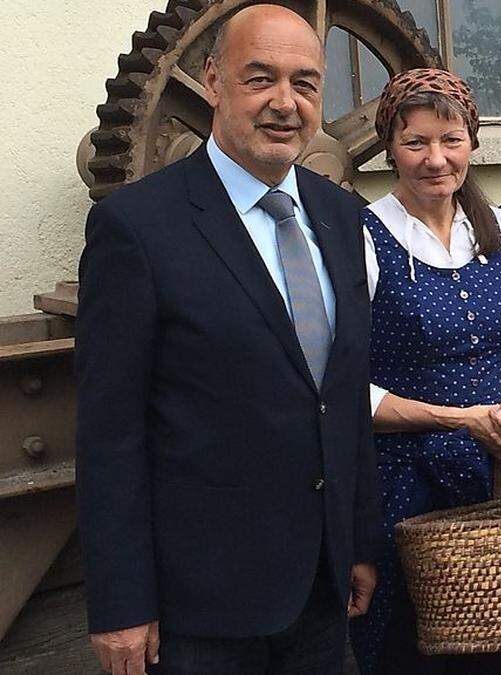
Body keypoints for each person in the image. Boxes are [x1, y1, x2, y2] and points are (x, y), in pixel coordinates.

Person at [75, 5, 378, 674]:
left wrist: (356, 541)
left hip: (320, 596)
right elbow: (109, 431)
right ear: (212, 81)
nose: (284, 103)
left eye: (304, 83)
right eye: (259, 78)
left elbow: (342, 396)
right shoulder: (137, 228)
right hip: (199, 612)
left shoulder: (340, 216)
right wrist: (121, 601)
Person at [347, 68, 501, 675]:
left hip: (499, 483)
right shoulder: (363, 236)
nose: (436, 159)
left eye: (451, 139)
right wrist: (461, 420)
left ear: (473, 141)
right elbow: (345, 389)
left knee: (496, 651)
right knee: (408, 653)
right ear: (390, 147)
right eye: (416, 143)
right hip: (403, 493)